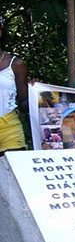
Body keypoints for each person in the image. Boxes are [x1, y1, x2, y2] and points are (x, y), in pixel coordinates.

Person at [0, 16, 28, 156]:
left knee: (13, 172)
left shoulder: (15, 64)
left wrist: (37, 93)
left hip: (9, 128)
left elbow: (24, 104)